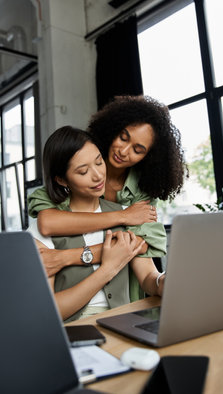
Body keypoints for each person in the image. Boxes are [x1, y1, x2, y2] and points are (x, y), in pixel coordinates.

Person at [28, 95, 187, 299]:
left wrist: (65, 257)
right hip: (73, 296)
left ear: (149, 157)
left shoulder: (142, 191)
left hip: (123, 292)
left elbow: (141, 246)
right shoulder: (75, 171)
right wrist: (124, 216)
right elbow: (48, 223)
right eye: (123, 137)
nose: (123, 150)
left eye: (138, 150)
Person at [30, 126, 165, 322]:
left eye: (99, 162)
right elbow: (51, 310)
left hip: (124, 321)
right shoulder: (42, 230)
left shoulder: (129, 215)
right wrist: (107, 269)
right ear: (61, 179)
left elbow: (147, 278)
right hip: (73, 329)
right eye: (83, 171)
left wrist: (162, 282)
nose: (98, 175)